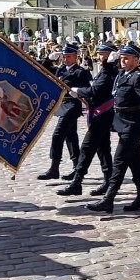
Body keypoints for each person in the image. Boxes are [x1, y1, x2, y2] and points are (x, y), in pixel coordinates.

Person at [85, 44, 140, 213]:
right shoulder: (120, 74)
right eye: (122, 57)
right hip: (121, 122)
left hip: (133, 125)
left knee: (119, 161)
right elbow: (106, 78)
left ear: (136, 60)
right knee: (134, 162)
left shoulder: (137, 77)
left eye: (127, 58)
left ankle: (108, 199)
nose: (123, 60)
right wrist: (107, 63)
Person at [57, 44, 120, 196]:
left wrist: (77, 90)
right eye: (99, 54)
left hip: (102, 115)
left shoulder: (109, 70)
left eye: (102, 54)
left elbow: (95, 90)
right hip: (100, 113)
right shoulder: (106, 69)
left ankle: (77, 182)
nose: (99, 57)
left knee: (86, 148)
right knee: (103, 149)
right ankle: (108, 182)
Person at [37, 44, 93, 181]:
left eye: (69, 56)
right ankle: (77, 168)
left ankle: (54, 168)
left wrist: (78, 91)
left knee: (57, 135)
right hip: (62, 106)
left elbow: (88, 88)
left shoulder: (80, 72)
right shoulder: (61, 69)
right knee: (71, 137)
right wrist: (49, 60)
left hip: (73, 106)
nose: (65, 59)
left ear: (75, 57)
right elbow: (43, 71)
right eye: (64, 56)